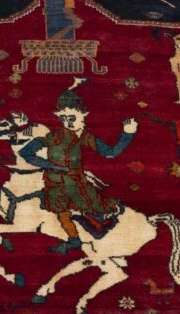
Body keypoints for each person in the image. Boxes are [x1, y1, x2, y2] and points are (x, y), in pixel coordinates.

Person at [18, 79, 138, 254]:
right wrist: (50, 165)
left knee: (95, 209)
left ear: (83, 115)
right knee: (62, 214)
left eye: (72, 117)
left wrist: (127, 134)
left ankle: (110, 225)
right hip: (54, 183)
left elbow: (110, 153)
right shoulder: (54, 136)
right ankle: (74, 241)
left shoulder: (86, 137)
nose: (68, 122)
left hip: (77, 184)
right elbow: (25, 152)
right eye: (63, 118)